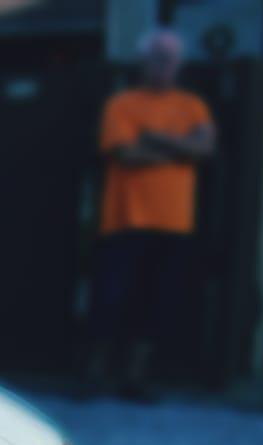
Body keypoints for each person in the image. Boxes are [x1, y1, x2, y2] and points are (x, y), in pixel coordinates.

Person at [91, 28, 216, 398]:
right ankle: (96, 374)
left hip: (174, 222)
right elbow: (124, 154)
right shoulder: (122, 104)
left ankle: (135, 378)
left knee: (155, 302)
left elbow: (205, 149)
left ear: (179, 64)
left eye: (170, 58)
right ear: (144, 62)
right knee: (112, 297)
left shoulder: (193, 105)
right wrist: (181, 150)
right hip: (126, 219)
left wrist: (154, 139)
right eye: (157, 58)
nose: (164, 65)